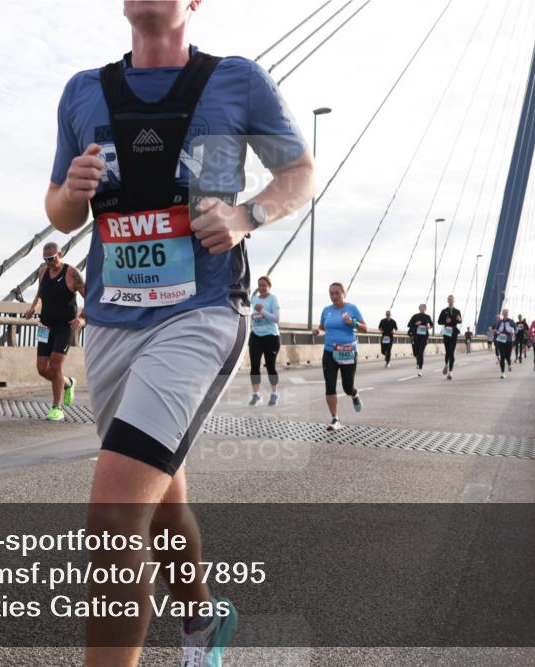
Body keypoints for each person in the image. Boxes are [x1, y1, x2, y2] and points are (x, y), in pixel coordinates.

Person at [44, 1, 315, 663]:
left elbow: (300, 173)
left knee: (114, 518)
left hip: (202, 310)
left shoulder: (238, 80)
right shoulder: (83, 91)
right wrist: (74, 192)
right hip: (110, 321)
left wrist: (248, 215)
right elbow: (56, 208)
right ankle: (199, 617)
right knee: (160, 491)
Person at [23, 241, 85, 421]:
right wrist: (33, 307)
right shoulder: (43, 271)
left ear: (61, 254)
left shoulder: (72, 274)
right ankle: (67, 382)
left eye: (51, 258)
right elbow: (41, 294)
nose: (49, 262)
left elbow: (90, 296)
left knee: (56, 365)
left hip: (64, 327)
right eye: (45, 259)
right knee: (43, 369)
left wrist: (81, 318)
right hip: (45, 326)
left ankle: (56, 408)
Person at [313, 282, 367, 431]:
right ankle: (335, 419)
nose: (334, 296)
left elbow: (364, 328)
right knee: (330, 386)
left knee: (347, 387)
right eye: (331, 293)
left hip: (348, 352)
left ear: (343, 293)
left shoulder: (352, 308)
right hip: (330, 351)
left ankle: (354, 394)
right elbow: (323, 328)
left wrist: (352, 322)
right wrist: (318, 332)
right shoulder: (326, 311)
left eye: (337, 293)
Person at [248, 275, 280, 406]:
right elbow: (251, 316)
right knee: (254, 366)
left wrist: (263, 310)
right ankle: (256, 395)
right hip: (256, 335)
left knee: (270, 367)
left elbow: (276, 319)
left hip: (271, 337)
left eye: (264, 285)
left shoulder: (273, 299)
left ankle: (274, 394)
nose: (261, 288)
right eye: (259, 285)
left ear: (269, 286)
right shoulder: (253, 299)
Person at [436, 294, 463, 380]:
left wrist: (460, 320)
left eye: (452, 299)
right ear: (447, 301)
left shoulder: (457, 311)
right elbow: (439, 321)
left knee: (451, 352)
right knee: (447, 351)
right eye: (449, 299)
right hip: (446, 332)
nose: (450, 301)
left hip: (454, 332)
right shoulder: (444, 311)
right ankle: (446, 365)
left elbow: (460, 321)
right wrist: (445, 321)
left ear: (454, 301)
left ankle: (450, 373)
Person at [407, 304, 433, 376]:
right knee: (416, 352)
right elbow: (409, 325)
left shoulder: (427, 317)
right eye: (421, 307)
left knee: (421, 352)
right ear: (419, 308)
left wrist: (429, 326)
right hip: (416, 336)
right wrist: (416, 324)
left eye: (423, 308)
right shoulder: (415, 316)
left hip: (424, 336)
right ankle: (418, 362)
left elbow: (432, 325)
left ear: (425, 309)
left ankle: (420, 369)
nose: (422, 309)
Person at [493, 309, 516, 379]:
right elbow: (495, 330)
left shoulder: (511, 321)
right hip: (501, 340)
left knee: (508, 356)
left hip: (509, 340)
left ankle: (509, 364)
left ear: (508, 313)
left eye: (506, 312)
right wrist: (496, 331)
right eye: (504, 313)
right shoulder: (499, 322)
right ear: (502, 314)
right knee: (502, 356)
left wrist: (513, 332)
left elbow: (516, 329)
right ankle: (503, 373)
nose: (505, 314)